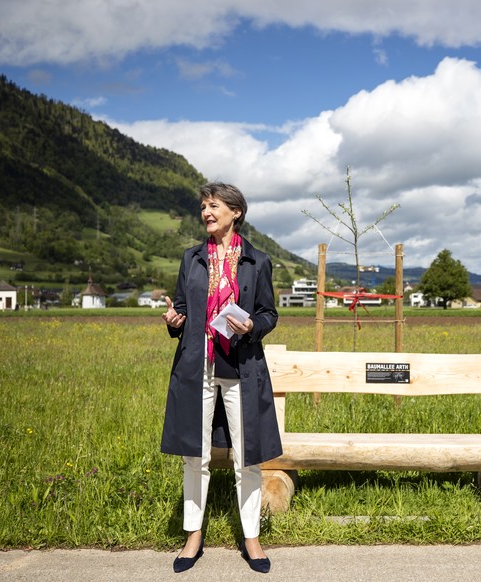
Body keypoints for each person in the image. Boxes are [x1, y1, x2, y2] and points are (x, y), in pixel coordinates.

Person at [161, 182, 282, 574]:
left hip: (242, 368)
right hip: (198, 367)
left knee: (246, 457)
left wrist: (251, 327)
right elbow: (181, 308)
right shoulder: (191, 258)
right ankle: (193, 535)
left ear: (236, 212)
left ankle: (251, 537)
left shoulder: (257, 261)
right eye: (203, 207)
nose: (206, 213)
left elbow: (269, 314)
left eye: (213, 206)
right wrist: (175, 320)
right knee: (194, 456)